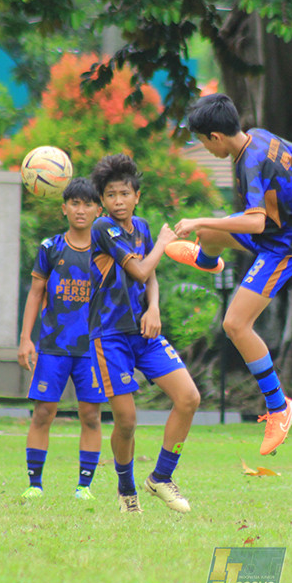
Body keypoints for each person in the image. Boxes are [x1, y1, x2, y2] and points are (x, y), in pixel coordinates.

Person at [167, 92, 292, 456]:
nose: (206, 149)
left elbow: (254, 221)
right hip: (277, 232)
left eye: (203, 143)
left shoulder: (250, 161)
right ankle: (207, 260)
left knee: (235, 325)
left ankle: (280, 407)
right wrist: (290, 195)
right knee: (212, 234)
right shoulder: (261, 135)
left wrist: (199, 218)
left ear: (215, 137)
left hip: (283, 247)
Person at [88, 154, 201, 514]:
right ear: (103, 200)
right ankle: (126, 492)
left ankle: (161, 477)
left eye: (124, 193)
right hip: (110, 336)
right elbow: (139, 269)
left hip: (143, 331)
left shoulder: (143, 227)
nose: (117, 201)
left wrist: (154, 308)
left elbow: (150, 278)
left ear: (137, 195)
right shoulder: (102, 228)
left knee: (189, 397)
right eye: (110, 195)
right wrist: (164, 244)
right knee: (127, 421)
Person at [17, 177, 106, 501]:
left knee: (92, 415)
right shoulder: (50, 248)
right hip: (53, 346)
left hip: (93, 348)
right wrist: (26, 339)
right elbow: (35, 292)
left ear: (99, 209)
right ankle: (34, 484)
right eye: (74, 203)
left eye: (87, 204)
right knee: (43, 412)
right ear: (64, 207)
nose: (80, 210)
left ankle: (84, 487)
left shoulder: (107, 250)